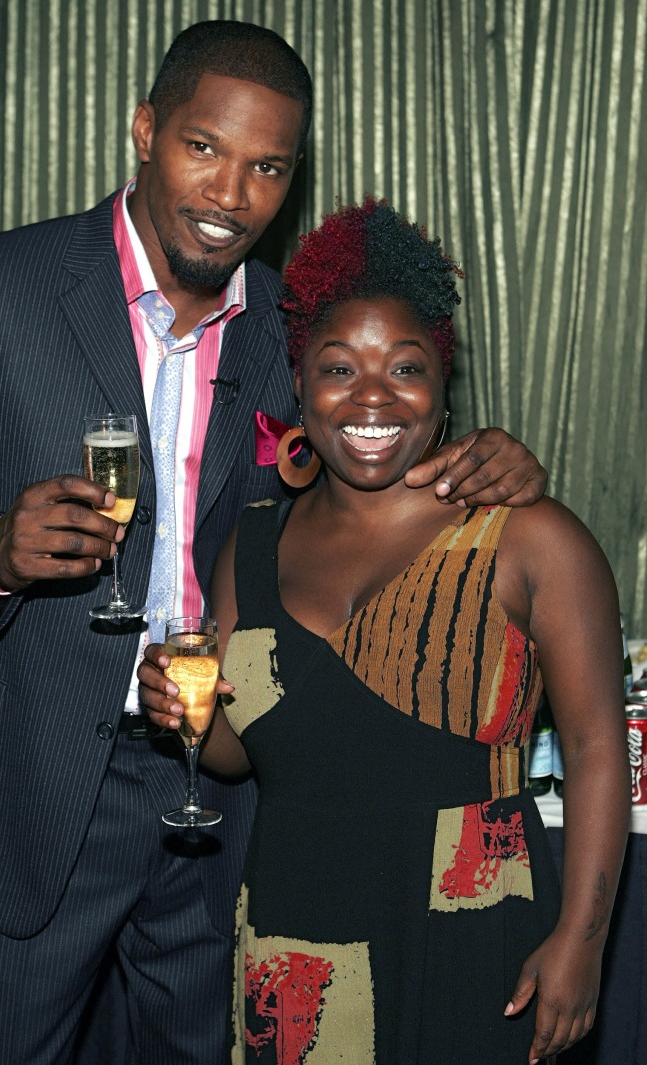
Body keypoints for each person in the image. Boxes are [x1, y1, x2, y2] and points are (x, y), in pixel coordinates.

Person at [0, 20, 548, 1065]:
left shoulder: (296, 334)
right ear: (144, 131)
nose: (229, 194)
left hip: (230, 786)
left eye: (266, 167)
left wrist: (492, 472)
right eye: (204, 148)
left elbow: (375, 465)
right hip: (27, 778)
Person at [143, 199, 631, 1064]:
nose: (371, 396)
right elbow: (235, 753)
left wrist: (583, 943)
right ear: (300, 387)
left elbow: (597, 748)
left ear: (442, 386)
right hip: (298, 941)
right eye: (339, 368)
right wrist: (178, 713)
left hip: (475, 932)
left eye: (404, 367)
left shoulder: (527, 537)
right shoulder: (253, 543)